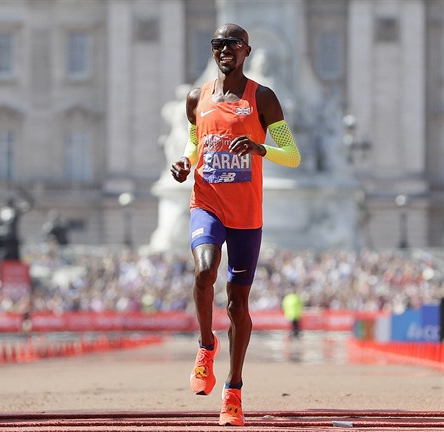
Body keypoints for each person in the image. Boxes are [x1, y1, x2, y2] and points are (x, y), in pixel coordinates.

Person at [170, 23, 301, 426]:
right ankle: (206, 346)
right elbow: (196, 143)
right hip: (206, 202)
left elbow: (293, 155)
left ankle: (233, 389)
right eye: (217, 44)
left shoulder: (263, 97)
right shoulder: (198, 97)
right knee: (204, 270)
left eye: (232, 44)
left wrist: (260, 147)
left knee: (237, 304)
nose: (224, 49)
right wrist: (184, 163)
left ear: (246, 51)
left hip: (245, 214)